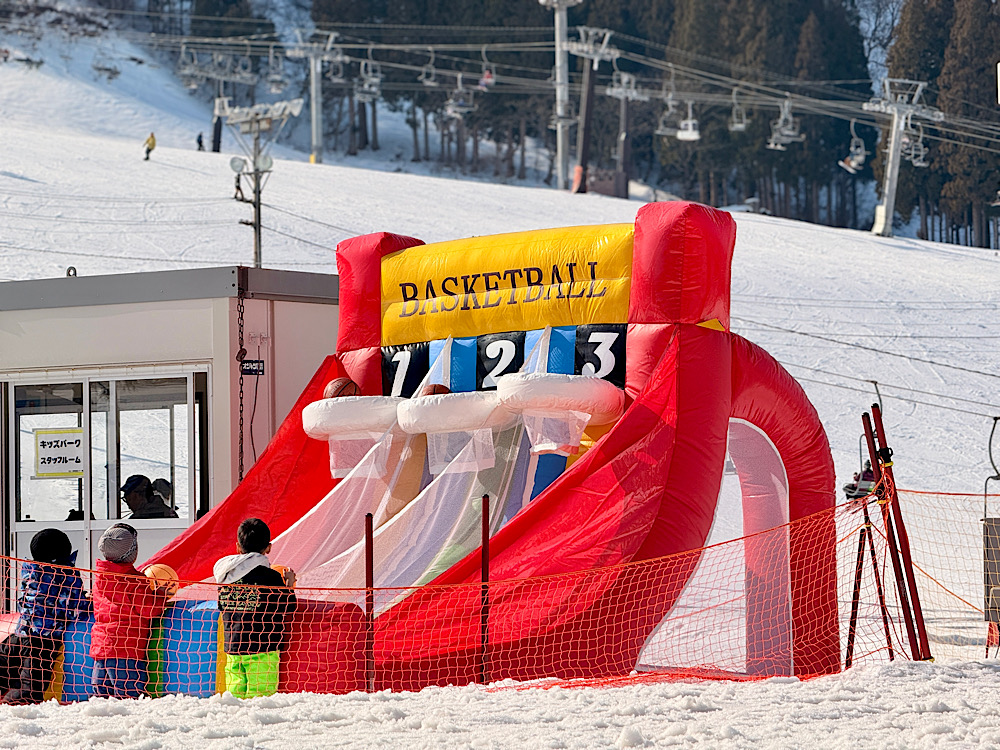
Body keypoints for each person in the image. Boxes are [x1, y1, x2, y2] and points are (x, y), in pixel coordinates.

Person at [0, 529, 88, 704]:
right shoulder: (67, 575)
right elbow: (76, 608)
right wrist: (88, 603)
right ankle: (12, 706)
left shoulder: (30, 572)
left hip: (20, 634)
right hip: (42, 643)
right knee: (30, 689)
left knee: (4, 665)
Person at [214, 518, 297, 699]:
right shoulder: (271, 577)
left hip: (233, 647)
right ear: (268, 548)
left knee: (234, 699)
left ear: (238, 547)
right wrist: (289, 585)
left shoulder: (225, 577)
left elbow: (221, 606)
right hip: (262, 648)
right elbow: (288, 607)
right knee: (261, 699)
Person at [90, 524, 170, 698]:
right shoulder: (134, 581)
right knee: (129, 697)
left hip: (101, 649)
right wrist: (161, 595)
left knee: (101, 699)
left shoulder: (100, 579)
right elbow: (149, 609)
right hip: (126, 651)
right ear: (132, 553)